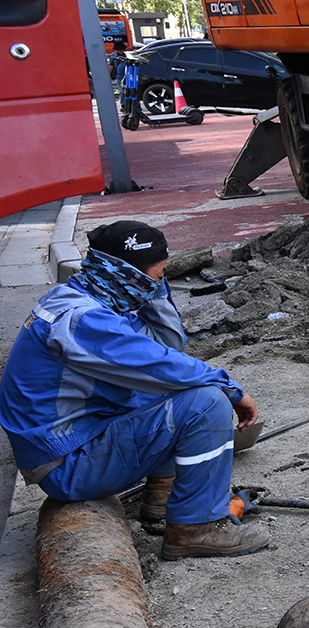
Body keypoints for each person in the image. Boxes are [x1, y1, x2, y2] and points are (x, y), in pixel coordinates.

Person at [0, 220, 268, 559]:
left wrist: (152, 290)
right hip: (67, 464)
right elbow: (163, 365)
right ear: (129, 276)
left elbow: (168, 345)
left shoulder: (88, 296)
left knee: (174, 388)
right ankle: (196, 528)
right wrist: (231, 389)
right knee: (206, 401)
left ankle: (162, 497)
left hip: (67, 444)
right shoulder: (84, 320)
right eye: (157, 276)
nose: (159, 284)